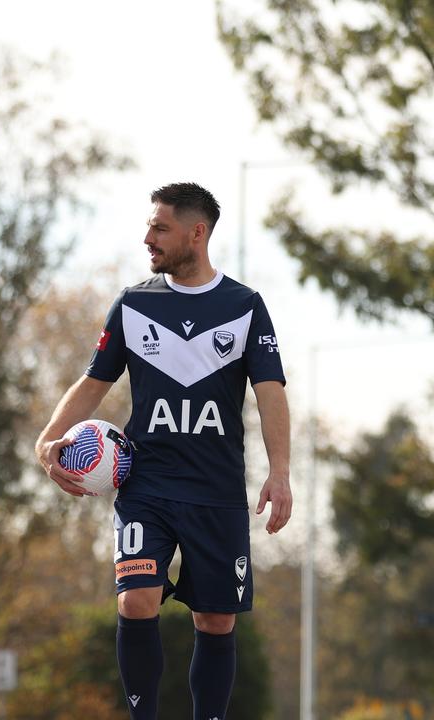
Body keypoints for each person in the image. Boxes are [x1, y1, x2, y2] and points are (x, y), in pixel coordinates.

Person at [35, 182, 292, 720]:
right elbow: (92, 382)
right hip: (144, 483)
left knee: (215, 621)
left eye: (160, 228)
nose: (147, 237)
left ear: (196, 233)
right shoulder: (135, 303)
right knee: (135, 600)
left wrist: (281, 472)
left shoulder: (244, 306)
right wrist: (49, 439)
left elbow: (271, 393)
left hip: (217, 491)